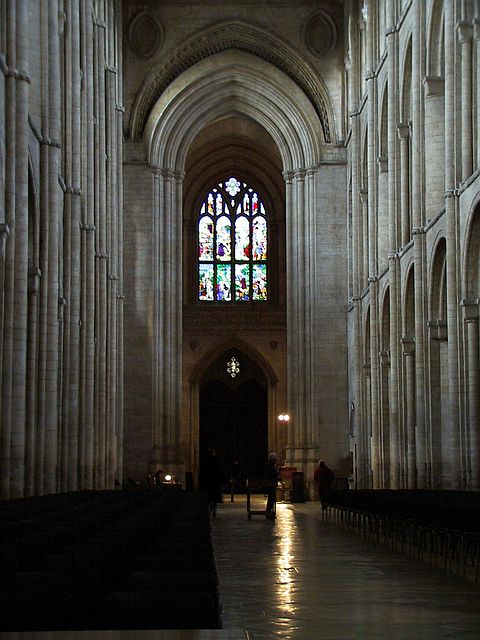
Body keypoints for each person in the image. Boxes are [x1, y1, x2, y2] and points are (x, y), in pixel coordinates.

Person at [199, 448, 225, 517]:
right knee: (215, 498)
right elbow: (221, 471)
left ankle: (209, 510)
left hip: (207, 482)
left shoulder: (205, 461)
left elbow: (201, 472)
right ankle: (214, 510)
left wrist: (200, 482)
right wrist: (222, 481)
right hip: (215, 482)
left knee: (209, 497)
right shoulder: (217, 460)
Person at [264, 452, 279, 519]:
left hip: (272, 484)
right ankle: (269, 512)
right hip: (270, 484)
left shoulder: (271, 465)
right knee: (271, 499)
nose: (277, 460)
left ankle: (270, 512)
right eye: (275, 459)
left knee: (272, 499)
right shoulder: (269, 465)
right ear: (273, 459)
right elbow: (271, 474)